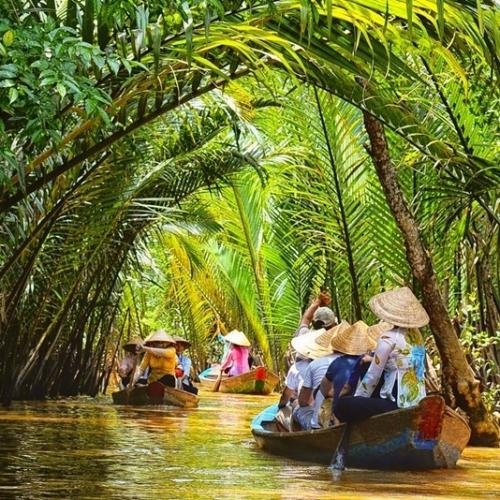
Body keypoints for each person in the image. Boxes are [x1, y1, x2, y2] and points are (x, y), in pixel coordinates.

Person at [335, 287, 429, 423]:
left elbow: (373, 376)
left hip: (396, 405)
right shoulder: (417, 338)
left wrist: (358, 400)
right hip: (418, 402)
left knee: (342, 405)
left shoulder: (388, 337)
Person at [319, 321, 390, 425]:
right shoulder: (374, 357)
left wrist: (334, 397)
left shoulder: (358, 361)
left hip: (377, 404)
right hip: (385, 402)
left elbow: (345, 388)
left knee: (341, 405)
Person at [291, 322, 348, 430]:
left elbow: (303, 401)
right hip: (346, 420)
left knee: (296, 404)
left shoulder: (315, 364)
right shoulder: (359, 362)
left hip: (319, 425)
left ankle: (295, 435)